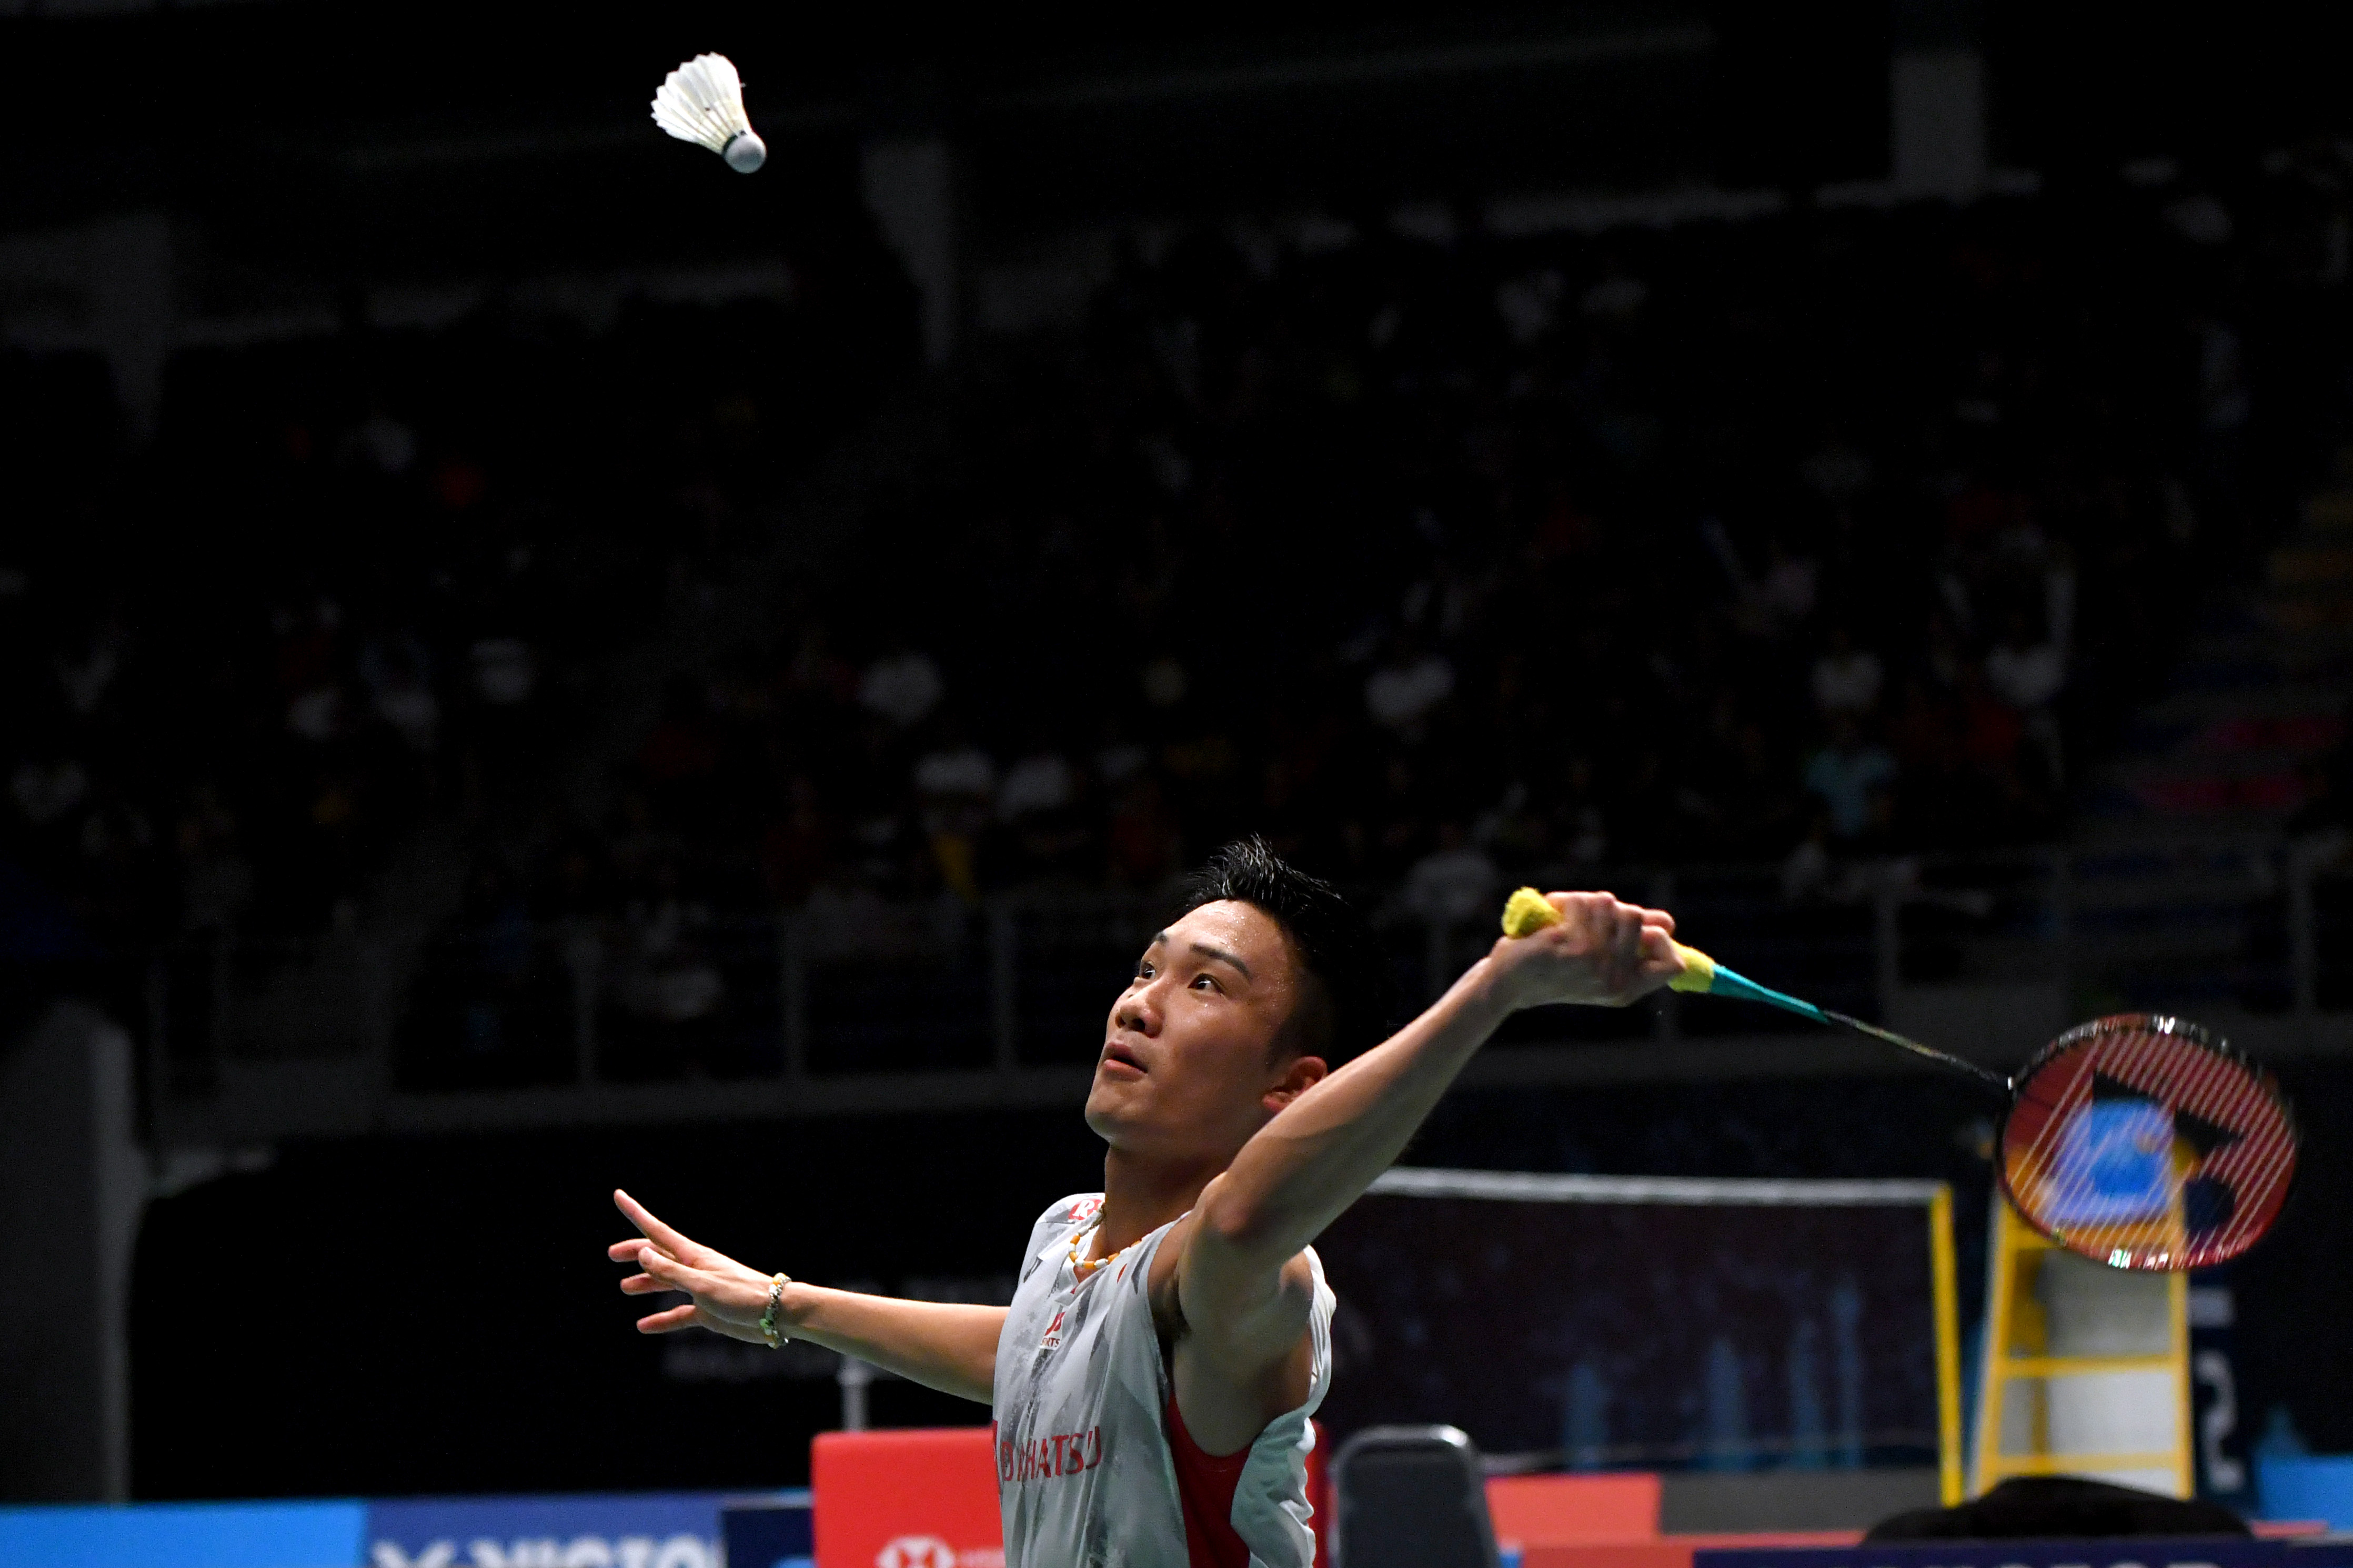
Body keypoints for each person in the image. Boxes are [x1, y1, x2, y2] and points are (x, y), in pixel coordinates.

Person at [606, 837, 1681, 1566]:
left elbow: (1243, 1221)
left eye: (1204, 985)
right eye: (1146, 969)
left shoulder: (1252, 1283)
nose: (1139, 1004)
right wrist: (781, 1304)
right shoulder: (1066, 1236)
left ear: (1290, 1087)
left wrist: (1493, 990)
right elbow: (1030, 1353)